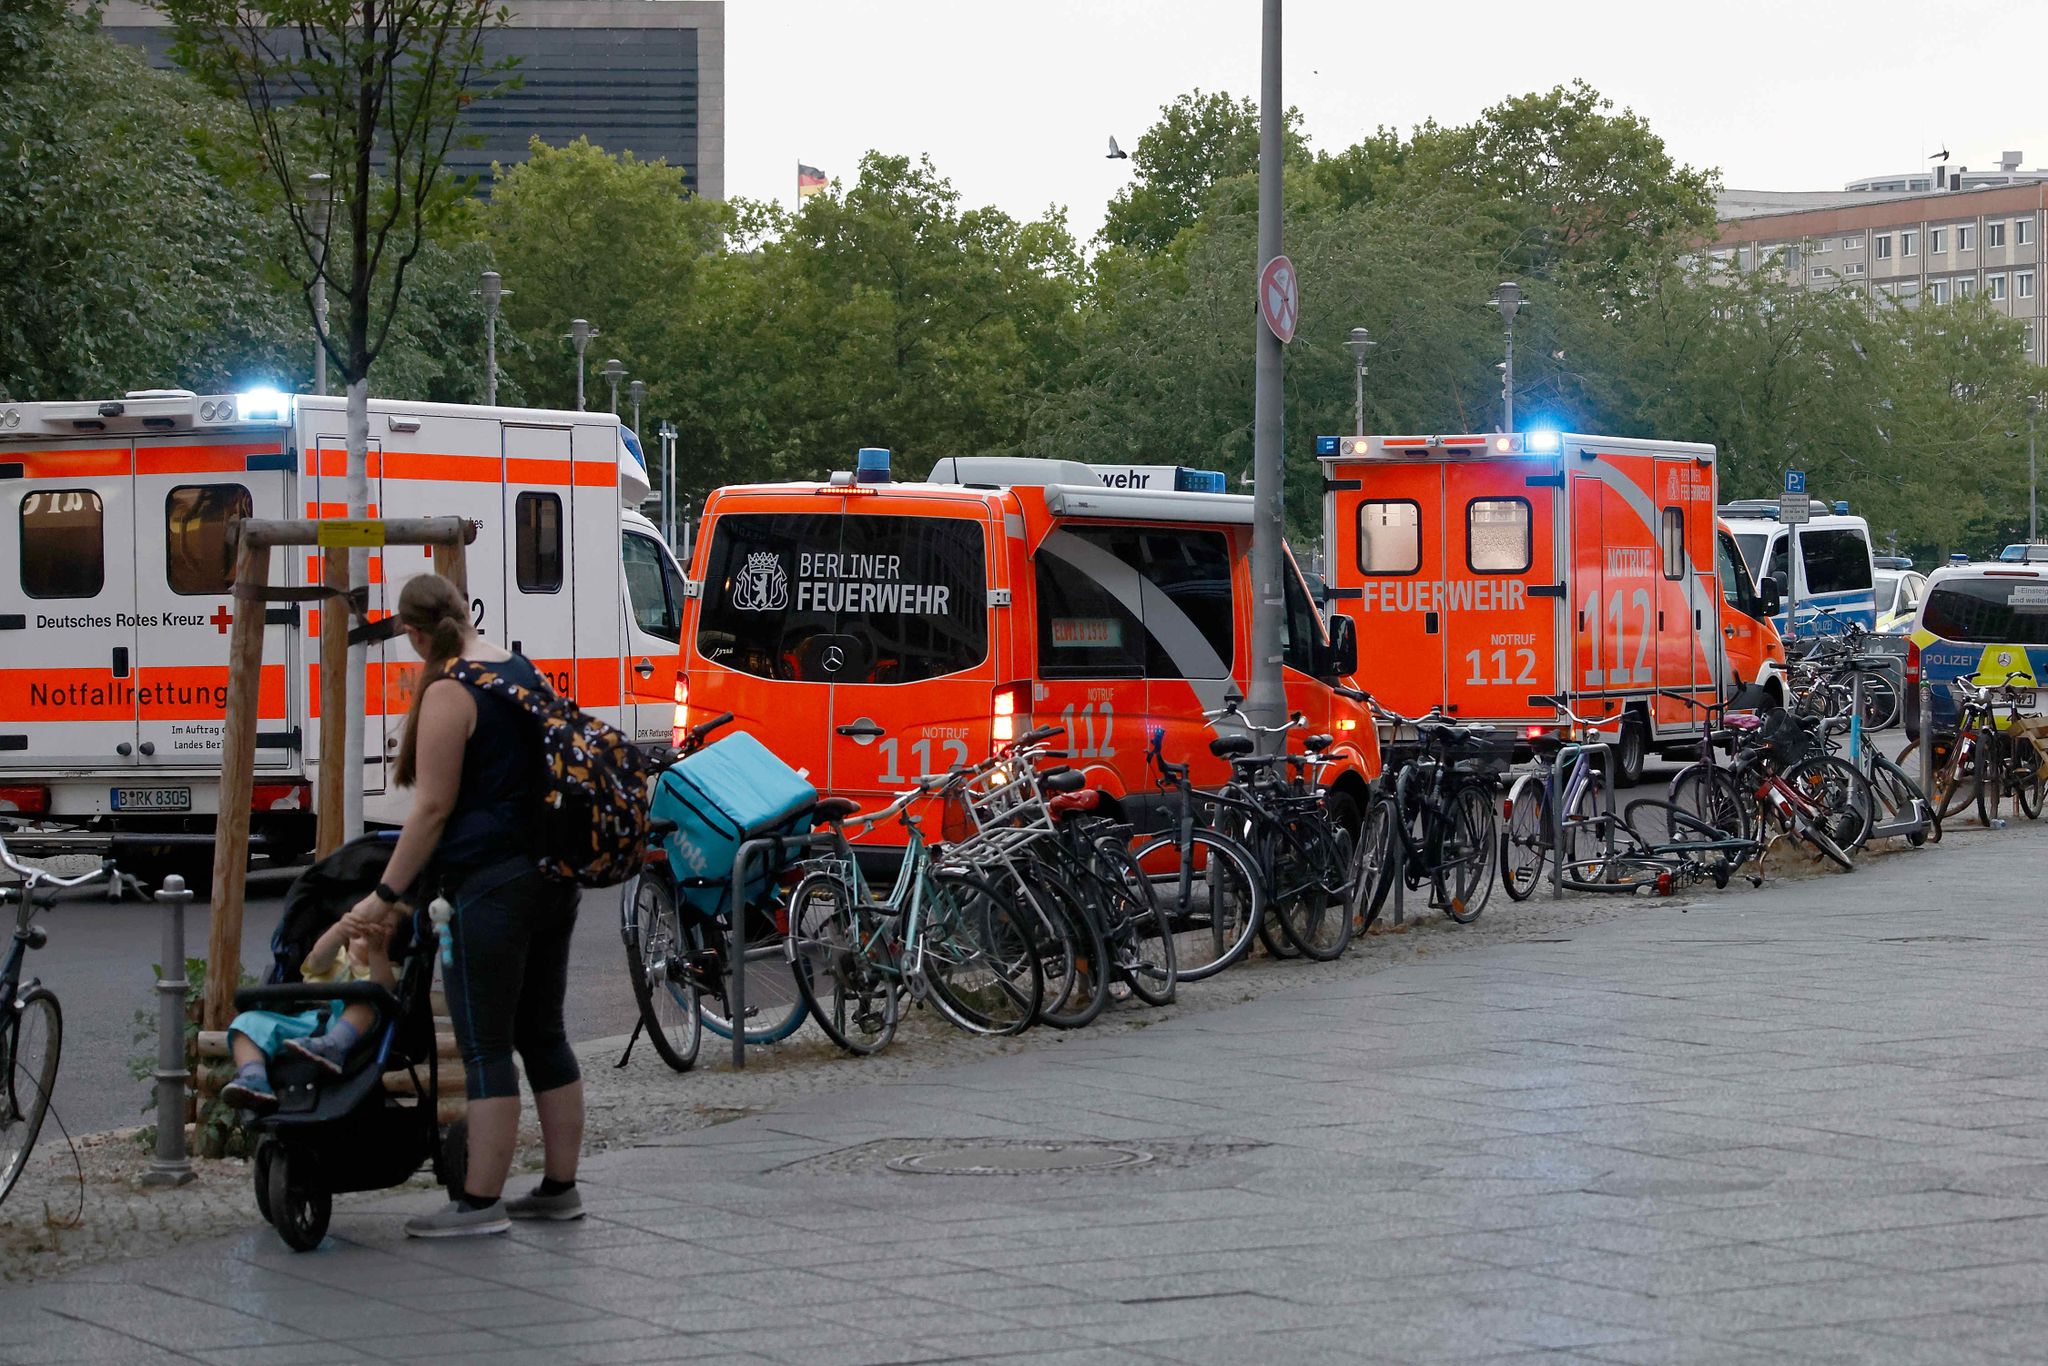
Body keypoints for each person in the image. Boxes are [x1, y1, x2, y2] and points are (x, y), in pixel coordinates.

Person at [339, 573, 584, 1239]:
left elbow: (434, 807)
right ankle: (560, 1189)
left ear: (414, 635)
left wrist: (386, 893)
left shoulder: (450, 690)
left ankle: (479, 1203)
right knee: (545, 1034)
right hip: (552, 877)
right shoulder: (518, 668)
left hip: (490, 885)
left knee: (485, 1045)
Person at [219, 917, 394, 1110]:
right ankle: (254, 1078)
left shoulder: (387, 968)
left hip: (352, 1030)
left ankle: (332, 1046)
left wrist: (377, 952)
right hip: (307, 1020)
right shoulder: (335, 960)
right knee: (245, 1023)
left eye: (384, 927)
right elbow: (318, 960)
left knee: (369, 997)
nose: (371, 929)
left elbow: (386, 991)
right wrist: (339, 930)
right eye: (362, 924)